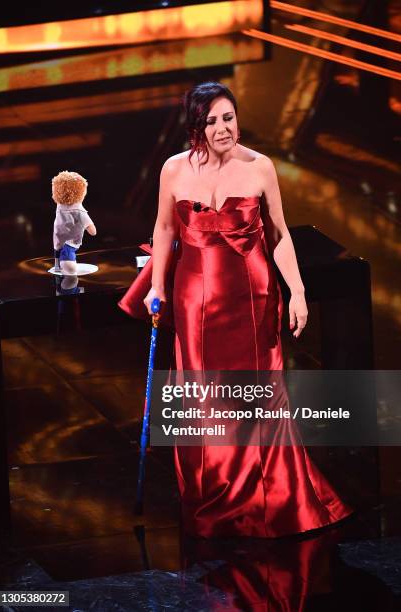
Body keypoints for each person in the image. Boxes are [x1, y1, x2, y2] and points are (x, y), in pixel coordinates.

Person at [119, 81, 352, 537]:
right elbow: (165, 230)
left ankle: (274, 494)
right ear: (196, 127)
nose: (223, 128)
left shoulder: (260, 167)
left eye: (228, 117)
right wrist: (158, 286)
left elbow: (280, 235)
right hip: (196, 302)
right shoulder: (174, 169)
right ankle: (216, 494)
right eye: (212, 121)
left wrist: (298, 291)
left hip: (252, 297)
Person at [52, 170, 97, 275]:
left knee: (57, 251)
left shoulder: (59, 205)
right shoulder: (79, 211)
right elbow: (92, 231)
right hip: (70, 243)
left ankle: (57, 265)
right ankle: (71, 286)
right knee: (70, 268)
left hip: (58, 238)